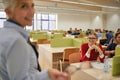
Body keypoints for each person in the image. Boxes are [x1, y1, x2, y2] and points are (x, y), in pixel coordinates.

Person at [0, 0, 68, 80]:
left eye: (32, 6)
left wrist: (48, 74)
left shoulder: (4, 33)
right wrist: (47, 76)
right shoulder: (17, 41)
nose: (32, 12)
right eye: (23, 6)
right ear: (8, 12)